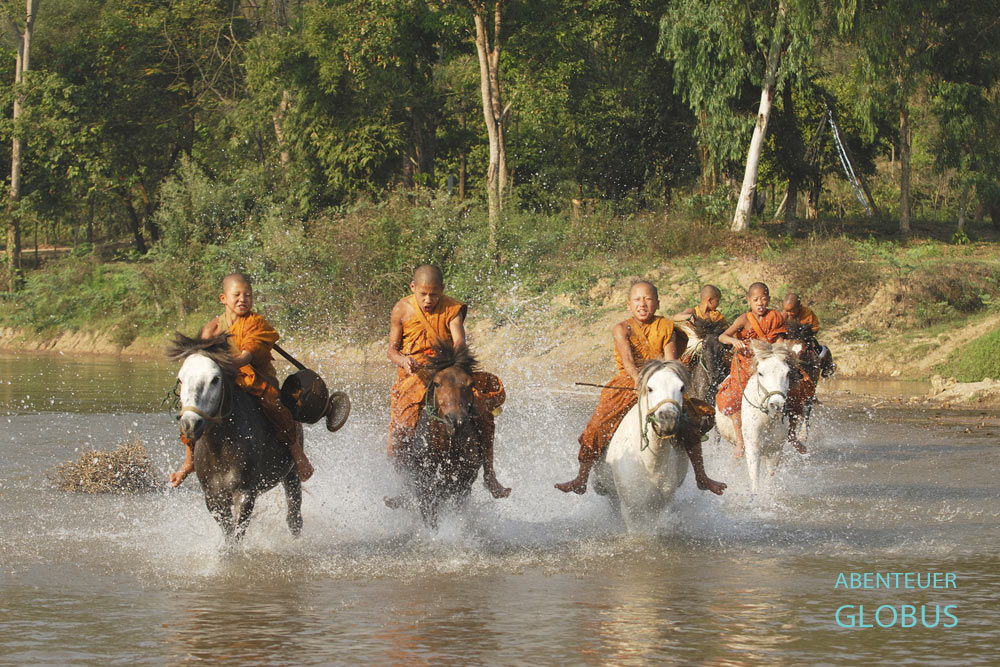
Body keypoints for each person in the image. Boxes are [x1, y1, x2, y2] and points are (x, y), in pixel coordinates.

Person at [555, 280, 726, 496]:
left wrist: (664, 383)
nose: (642, 304)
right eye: (637, 299)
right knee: (597, 425)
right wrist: (639, 381)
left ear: (657, 303)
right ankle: (582, 477)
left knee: (688, 422)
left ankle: (701, 476)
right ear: (629, 305)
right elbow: (627, 362)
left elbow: (670, 361)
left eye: (648, 299)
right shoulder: (621, 328)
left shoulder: (667, 327)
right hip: (629, 381)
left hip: (661, 381)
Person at [169, 273, 314, 487]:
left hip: (256, 380)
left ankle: (296, 452)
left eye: (248, 295)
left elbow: (248, 354)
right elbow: (201, 359)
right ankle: (189, 461)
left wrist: (227, 365)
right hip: (223, 381)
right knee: (193, 408)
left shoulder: (256, 323)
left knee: (274, 403)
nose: (242, 299)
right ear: (223, 298)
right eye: (236, 295)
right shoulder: (213, 328)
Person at [387, 264, 510, 498]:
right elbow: (391, 350)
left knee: (483, 413)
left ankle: (490, 475)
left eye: (434, 294)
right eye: (423, 294)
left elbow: (459, 341)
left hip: (449, 367)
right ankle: (403, 487)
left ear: (442, 290)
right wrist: (404, 360)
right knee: (403, 425)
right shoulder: (401, 310)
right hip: (415, 374)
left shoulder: (452, 308)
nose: (428, 299)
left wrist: (456, 367)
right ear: (413, 288)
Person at [716, 282, 787, 459]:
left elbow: (780, 341)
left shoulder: (776, 317)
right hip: (744, 365)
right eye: (756, 300)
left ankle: (791, 435)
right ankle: (740, 442)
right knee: (735, 398)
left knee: (788, 391)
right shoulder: (744, 319)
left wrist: (776, 357)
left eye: (763, 299)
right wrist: (734, 342)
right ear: (749, 301)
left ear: (769, 300)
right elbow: (722, 336)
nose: (760, 303)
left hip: (768, 364)